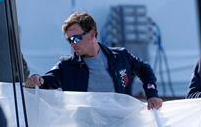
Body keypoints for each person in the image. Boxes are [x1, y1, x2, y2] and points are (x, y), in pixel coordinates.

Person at [24, 11, 163, 110]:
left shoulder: (120, 56)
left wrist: (152, 94)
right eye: (69, 40)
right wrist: (36, 79)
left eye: (76, 38)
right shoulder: (67, 66)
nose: (73, 44)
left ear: (92, 34)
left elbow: (144, 69)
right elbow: (46, 81)